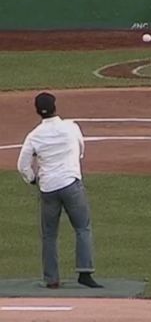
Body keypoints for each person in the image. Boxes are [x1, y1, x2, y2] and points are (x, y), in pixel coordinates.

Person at [17, 92, 102, 289]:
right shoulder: (71, 127)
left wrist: (32, 179)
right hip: (71, 183)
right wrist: (73, 163)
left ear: (37, 111)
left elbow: (23, 165)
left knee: (49, 234)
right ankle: (85, 273)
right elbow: (81, 149)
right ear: (55, 106)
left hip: (48, 188)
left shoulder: (34, 136)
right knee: (82, 228)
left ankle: (52, 279)